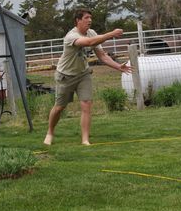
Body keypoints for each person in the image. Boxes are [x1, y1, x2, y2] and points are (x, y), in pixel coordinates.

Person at [43, 9, 132, 146]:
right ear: (78, 20)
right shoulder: (71, 36)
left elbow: (101, 55)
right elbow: (89, 43)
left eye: (91, 17)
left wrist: (118, 66)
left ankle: (85, 140)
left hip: (83, 74)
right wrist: (111, 34)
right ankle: (50, 132)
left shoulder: (92, 33)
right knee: (59, 107)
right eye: (86, 17)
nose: (90, 20)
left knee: (86, 105)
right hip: (65, 76)